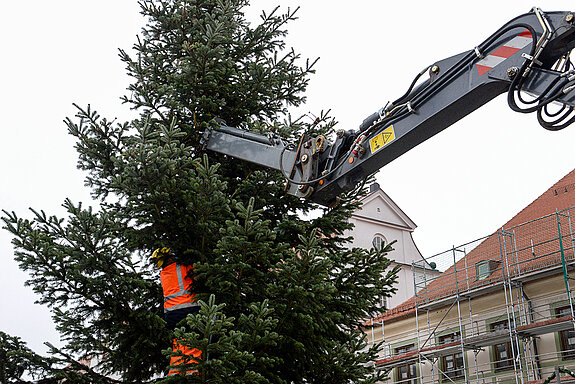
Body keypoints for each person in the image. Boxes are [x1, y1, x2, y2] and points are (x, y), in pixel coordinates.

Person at [151, 247, 201, 376]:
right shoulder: (183, 267)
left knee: (178, 345)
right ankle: (192, 374)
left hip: (171, 314)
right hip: (189, 309)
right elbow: (199, 273)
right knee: (192, 342)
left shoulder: (163, 274)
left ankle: (175, 374)